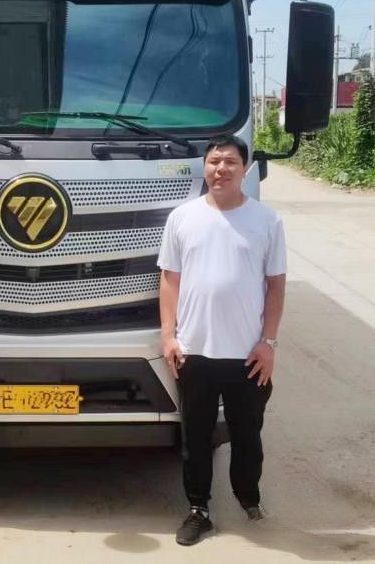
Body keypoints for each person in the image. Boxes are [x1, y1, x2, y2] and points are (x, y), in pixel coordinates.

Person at [158, 134, 286, 546]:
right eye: (214, 161)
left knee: (247, 434)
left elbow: (276, 286)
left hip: (247, 355)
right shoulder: (182, 217)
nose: (221, 169)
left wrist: (268, 343)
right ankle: (199, 509)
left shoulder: (267, 221)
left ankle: (249, 497)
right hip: (194, 352)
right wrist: (168, 336)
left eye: (231, 161)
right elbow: (169, 280)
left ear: (245, 170)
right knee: (195, 437)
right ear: (204, 167)